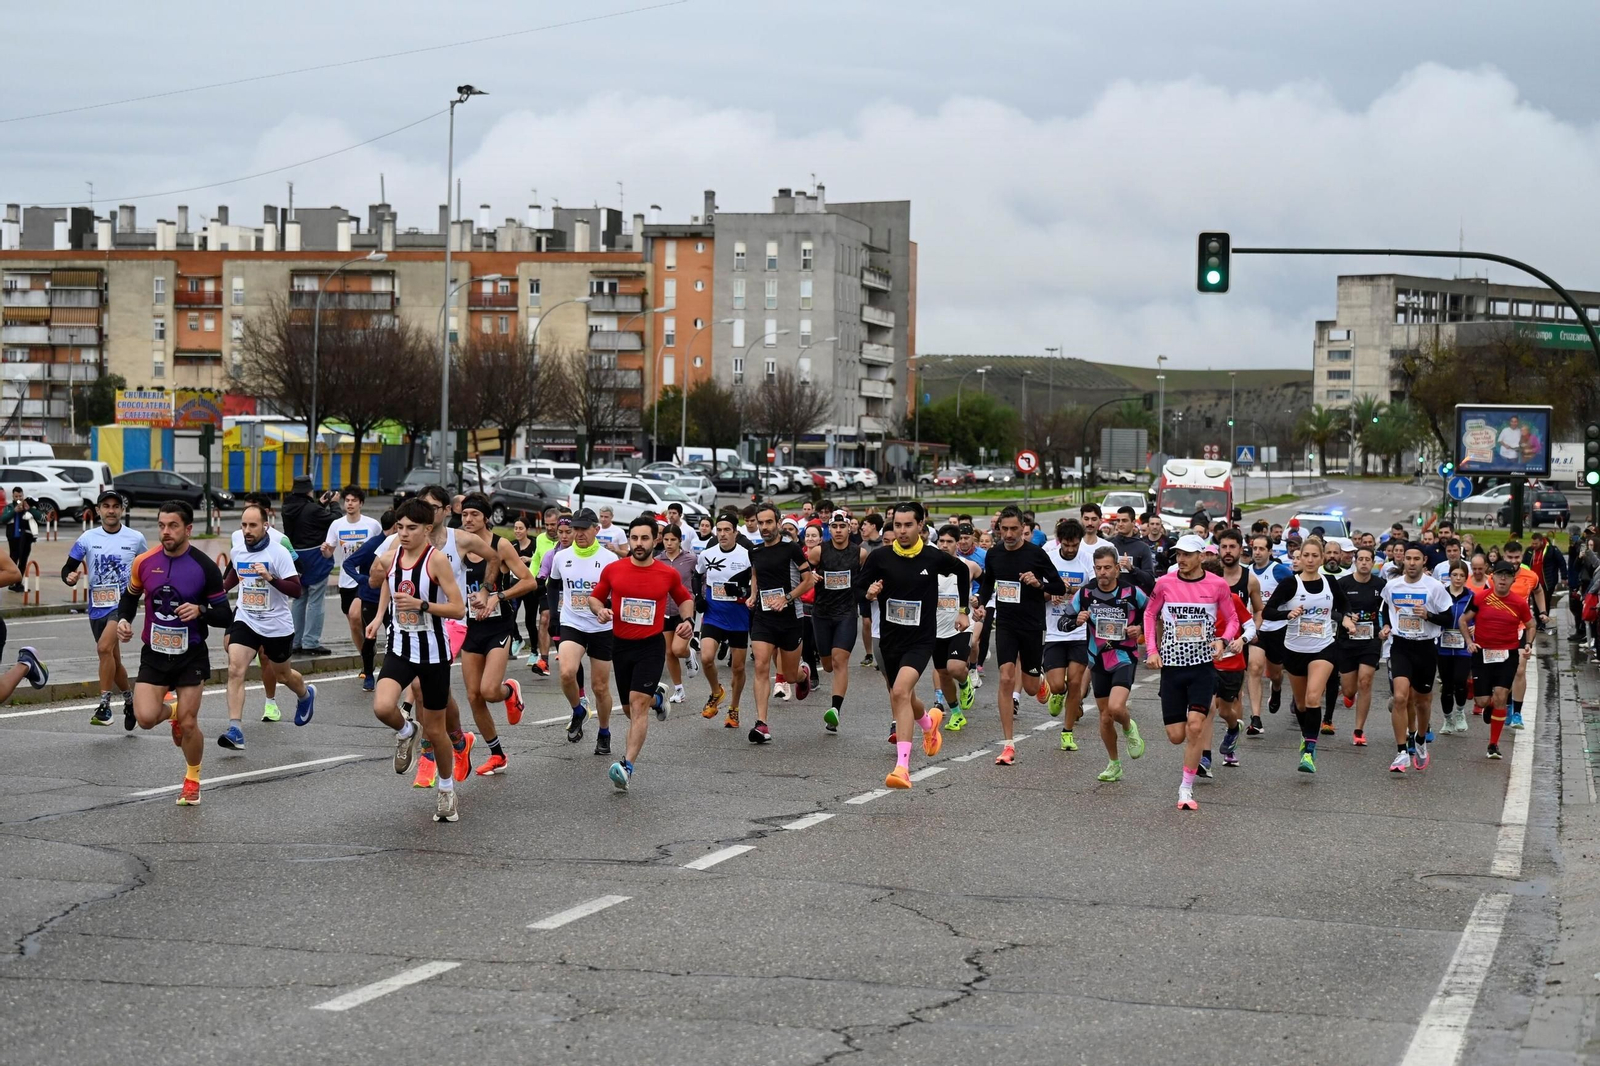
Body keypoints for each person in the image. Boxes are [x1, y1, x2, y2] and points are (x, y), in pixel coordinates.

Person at [117, 501, 232, 806]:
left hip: (190, 653)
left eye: (173, 526)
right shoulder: (144, 562)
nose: (165, 532)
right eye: (161, 525)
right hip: (154, 652)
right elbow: (129, 598)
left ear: (188, 529)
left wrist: (201, 610)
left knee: (191, 723)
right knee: (144, 718)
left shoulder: (204, 566)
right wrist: (124, 621)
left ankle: (192, 780)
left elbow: (225, 615)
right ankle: (173, 712)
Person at [366, 498, 469, 822]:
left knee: (436, 732)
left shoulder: (436, 561)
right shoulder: (391, 557)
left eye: (412, 528)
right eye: (400, 528)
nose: (405, 533)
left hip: (433, 653)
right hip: (400, 646)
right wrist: (380, 615)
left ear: (427, 529)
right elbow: (385, 583)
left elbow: (457, 608)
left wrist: (421, 605)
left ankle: (446, 790)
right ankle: (406, 730)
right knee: (383, 707)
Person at [856, 501, 971, 787]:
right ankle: (929, 725)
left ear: (921, 525)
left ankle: (902, 768)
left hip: (921, 640)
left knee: (899, 691)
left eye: (908, 525)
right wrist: (869, 592)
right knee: (905, 697)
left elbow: (963, 573)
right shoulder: (880, 557)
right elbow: (858, 587)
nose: (903, 531)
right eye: (897, 525)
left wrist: (963, 610)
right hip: (891, 640)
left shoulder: (934, 557)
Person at [588, 516, 695, 790]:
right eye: (634, 538)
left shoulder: (666, 573)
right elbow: (595, 596)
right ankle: (658, 699)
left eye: (644, 538)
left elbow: (685, 599)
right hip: (621, 646)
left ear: (654, 540)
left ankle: (627, 766)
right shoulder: (615, 570)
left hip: (650, 646)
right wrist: (599, 609)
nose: (638, 543)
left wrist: (688, 621)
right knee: (627, 709)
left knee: (637, 705)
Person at [1144, 534, 1241, 810]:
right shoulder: (1164, 583)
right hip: (1172, 668)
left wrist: (1222, 640)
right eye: (1178, 554)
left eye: (1187, 554)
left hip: (1202, 667)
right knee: (1176, 736)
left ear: (1202, 556)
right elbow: (1150, 614)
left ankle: (1185, 789)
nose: (1181, 559)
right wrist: (1152, 650)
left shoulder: (1217, 585)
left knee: (1196, 727)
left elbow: (1232, 619)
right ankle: (1190, 762)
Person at [217, 502, 318, 750]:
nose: (247, 530)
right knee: (235, 669)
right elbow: (230, 579)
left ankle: (305, 694)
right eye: (244, 525)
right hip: (247, 619)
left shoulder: (278, 552)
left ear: (265, 525)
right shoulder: (239, 550)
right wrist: (212, 594)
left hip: (276, 624)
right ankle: (235, 729)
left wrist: (270, 578)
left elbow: (296, 589)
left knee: (282, 674)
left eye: (253, 525)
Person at [976, 506, 1067, 766]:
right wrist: (979, 601)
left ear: (1022, 528)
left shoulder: (1035, 554)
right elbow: (987, 584)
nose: (1008, 534)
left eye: (1013, 529)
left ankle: (1040, 683)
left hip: (1030, 624)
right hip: (1005, 623)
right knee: (1005, 677)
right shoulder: (994, 554)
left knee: (1028, 687)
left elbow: (1058, 586)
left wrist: (1038, 584)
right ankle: (1008, 744)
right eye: (1004, 529)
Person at [457, 495, 536, 776]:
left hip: (497, 626)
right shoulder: (457, 546)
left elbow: (529, 581)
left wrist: (497, 595)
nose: (468, 519)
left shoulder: (499, 545)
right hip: (469, 627)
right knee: (473, 695)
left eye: (474, 514)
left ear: (486, 517)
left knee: (490, 691)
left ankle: (509, 691)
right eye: (464, 514)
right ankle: (497, 754)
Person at [1260, 535, 1347, 775]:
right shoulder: (1291, 583)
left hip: (1323, 647)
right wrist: (1286, 615)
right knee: (1300, 703)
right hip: (1295, 648)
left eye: (1314, 555)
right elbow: (1268, 611)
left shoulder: (1330, 583)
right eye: (1305, 555)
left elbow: (1343, 605)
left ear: (1321, 558)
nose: (1309, 560)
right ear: (1300, 557)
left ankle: (1309, 750)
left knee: (1312, 699)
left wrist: (1346, 618)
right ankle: (1306, 734)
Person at [64, 489, 147, 728]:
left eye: (115, 506)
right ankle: (130, 702)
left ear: (122, 510)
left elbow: (148, 567)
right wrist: (69, 577)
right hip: (96, 606)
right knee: (112, 659)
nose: (111, 511)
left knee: (103, 649)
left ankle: (104, 706)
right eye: (106, 506)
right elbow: (67, 567)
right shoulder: (87, 538)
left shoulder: (135, 538)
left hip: (122, 605)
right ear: (98, 511)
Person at [1068, 545, 1148, 781]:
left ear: (1117, 569)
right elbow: (1066, 619)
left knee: (1115, 708)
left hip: (1124, 657)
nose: (1102, 572)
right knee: (1104, 717)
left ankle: (1128, 727)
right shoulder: (1085, 594)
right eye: (1098, 568)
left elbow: (1152, 611)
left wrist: (1140, 628)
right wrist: (1077, 619)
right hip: (1097, 660)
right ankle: (1114, 763)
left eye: (1107, 568)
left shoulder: (1131, 593)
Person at [746, 503, 816, 743]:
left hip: (791, 619)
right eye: (761, 523)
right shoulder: (755, 551)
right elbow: (756, 574)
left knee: (788, 673)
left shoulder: (792, 549)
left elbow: (808, 581)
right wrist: (754, 595)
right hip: (764, 618)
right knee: (761, 666)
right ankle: (762, 724)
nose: (764, 527)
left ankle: (802, 674)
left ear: (777, 523)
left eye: (768, 522)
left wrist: (786, 598)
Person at [1381, 545, 1455, 772]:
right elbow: (1385, 610)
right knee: (1401, 697)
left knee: (1423, 702)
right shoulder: (1392, 586)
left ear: (1424, 561)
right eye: (1408, 559)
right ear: (1403, 561)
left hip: (1425, 647)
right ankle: (1401, 751)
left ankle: (1420, 738)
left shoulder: (1435, 587)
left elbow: (1449, 617)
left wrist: (1429, 615)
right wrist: (1385, 625)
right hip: (1401, 646)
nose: (1412, 563)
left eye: (1416, 559)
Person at [551, 508, 619, 753]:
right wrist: (554, 617)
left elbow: (618, 592)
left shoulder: (610, 560)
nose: (578, 533)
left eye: (583, 529)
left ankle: (604, 732)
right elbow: (553, 585)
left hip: (602, 627)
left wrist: (607, 608)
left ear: (596, 529)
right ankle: (578, 710)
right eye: (575, 529)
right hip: (573, 623)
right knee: (567, 673)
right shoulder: (562, 557)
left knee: (600, 687)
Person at [1461, 560, 1534, 760]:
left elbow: (1531, 624)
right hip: (1483, 653)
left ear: (1513, 579)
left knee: (1502, 695)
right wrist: (1469, 641)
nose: (1503, 578)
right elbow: (1463, 620)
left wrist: (1528, 644)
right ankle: (1490, 704)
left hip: (1507, 655)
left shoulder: (1519, 603)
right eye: (1500, 575)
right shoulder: (1481, 598)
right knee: (1482, 701)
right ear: (1492, 577)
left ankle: (1493, 744)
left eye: (1507, 575)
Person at [809, 509, 868, 732]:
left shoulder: (859, 554)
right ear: (829, 529)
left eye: (843, 526)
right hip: (822, 612)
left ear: (849, 528)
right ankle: (808, 673)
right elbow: (802, 571)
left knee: (839, 660)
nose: (839, 530)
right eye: (834, 527)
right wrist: (811, 576)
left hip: (846, 612)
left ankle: (835, 711)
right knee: (827, 665)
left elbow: (866, 577)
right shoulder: (818, 552)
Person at [1041, 518, 1096, 751]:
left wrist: (1069, 590)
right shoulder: (1049, 559)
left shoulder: (1087, 560)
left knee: (1075, 683)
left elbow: (1094, 591)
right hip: (1054, 631)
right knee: (1057, 685)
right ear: (1059, 541)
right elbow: (1038, 591)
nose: (1071, 549)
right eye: (1067, 545)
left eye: (1075, 544)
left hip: (1078, 630)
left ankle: (1067, 732)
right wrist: (1050, 592)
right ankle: (1057, 693)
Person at [322, 485, 384, 689]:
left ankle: (368, 663)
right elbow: (329, 553)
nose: (349, 504)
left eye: (353, 501)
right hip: (346, 580)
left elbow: (381, 548)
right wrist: (325, 551)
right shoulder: (337, 525)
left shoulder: (372, 525)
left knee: (356, 615)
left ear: (361, 504)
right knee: (354, 623)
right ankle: (367, 656)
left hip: (365, 580)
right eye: (347, 500)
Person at [696, 513, 753, 726]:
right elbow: (697, 574)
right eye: (719, 530)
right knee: (706, 657)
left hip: (738, 616)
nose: (722, 534)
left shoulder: (746, 556)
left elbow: (755, 581)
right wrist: (698, 597)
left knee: (738, 668)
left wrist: (745, 592)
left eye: (727, 530)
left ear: (735, 533)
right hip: (714, 614)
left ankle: (734, 708)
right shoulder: (707, 554)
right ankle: (716, 692)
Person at [1335, 546, 1387, 746]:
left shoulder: (1381, 585)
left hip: (1370, 639)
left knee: (1365, 682)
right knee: (1349, 689)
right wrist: (1346, 617)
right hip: (1347, 640)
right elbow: (1333, 610)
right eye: (1361, 559)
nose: (1364, 562)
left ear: (1373, 562)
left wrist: (1385, 628)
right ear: (1355, 561)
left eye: (1368, 559)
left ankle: (1359, 730)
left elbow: (1387, 609)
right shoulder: (1343, 584)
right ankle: (1349, 695)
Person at [931, 525, 982, 731]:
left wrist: (979, 599)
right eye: (941, 541)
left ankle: (964, 683)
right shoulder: (929, 567)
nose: (944, 545)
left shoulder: (967, 566)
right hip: (936, 629)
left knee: (954, 667)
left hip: (960, 626)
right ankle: (956, 713)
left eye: (949, 541)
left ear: (957, 544)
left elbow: (987, 582)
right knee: (943, 673)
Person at [280, 475, 337, 655]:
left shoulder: (287, 508)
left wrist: (319, 504)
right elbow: (334, 520)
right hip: (315, 557)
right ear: (309, 491)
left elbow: (306, 519)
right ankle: (311, 642)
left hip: (295, 558)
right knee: (316, 601)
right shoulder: (312, 509)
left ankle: (296, 641)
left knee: (299, 599)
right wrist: (334, 503)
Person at [342, 509, 397, 693]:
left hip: (394, 599)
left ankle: (393, 674)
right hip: (371, 597)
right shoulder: (374, 544)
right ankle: (368, 673)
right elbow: (348, 563)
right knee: (370, 636)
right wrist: (362, 579)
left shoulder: (402, 545)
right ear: (396, 526)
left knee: (395, 635)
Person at [1246, 533, 1292, 733]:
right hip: (1257, 629)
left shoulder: (1280, 571)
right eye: (1254, 548)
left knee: (1275, 673)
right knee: (1254, 667)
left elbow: (1294, 591)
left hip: (1278, 627)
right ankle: (1255, 718)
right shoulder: (1246, 572)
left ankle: (1277, 688)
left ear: (1270, 551)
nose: (1257, 552)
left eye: (1261, 549)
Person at [654, 524, 698, 705]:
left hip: (683, 610)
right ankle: (679, 689)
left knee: (678, 649)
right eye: (666, 539)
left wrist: (697, 596)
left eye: (673, 540)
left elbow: (701, 578)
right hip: (664, 611)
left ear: (680, 540)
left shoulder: (691, 559)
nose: (669, 543)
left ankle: (689, 654)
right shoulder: (657, 560)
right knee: (668, 652)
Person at [1435, 561, 1475, 736]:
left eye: (1461, 576)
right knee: (1447, 683)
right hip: (1443, 645)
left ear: (1467, 578)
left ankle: (1459, 711)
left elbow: (1480, 616)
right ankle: (1447, 718)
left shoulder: (1472, 597)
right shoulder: (1441, 594)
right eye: (1454, 575)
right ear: (1449, 576)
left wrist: (1476, 627)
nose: (1458, 579)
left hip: (1463, 645)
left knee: (1461, 680)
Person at [528, 506, 562, 673]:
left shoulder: (569, 538)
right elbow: (536, 560)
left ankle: (566, 652)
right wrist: (530, 579)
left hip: (566, 587)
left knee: (562, 623)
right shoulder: (540, 539)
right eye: (547, 524)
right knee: (544, 618)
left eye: (553, 524)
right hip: (547, 586)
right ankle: (543, 661)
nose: (549, 528)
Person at [857, 513, 884, 667]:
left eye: (865, 524)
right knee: (866, 621)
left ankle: (881, 652)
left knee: (879, 622)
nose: (862, 527)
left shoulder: (884, 544)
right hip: (866, 589)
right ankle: (869, 653)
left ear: (874, 526)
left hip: (881, 588)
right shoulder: (862, 546)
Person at [2, 487, 39, 593]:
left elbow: (37, 516)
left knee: (23, 559)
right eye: (16, 496)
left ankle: (18, 583)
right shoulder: (9, 507)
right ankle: (11, 582)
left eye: (20, 496)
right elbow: (3, 519)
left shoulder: (27, 506)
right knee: (14, 558)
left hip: (26, 537)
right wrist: (14, 511)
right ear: (13, 497)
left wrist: (29, 509)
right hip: (13, 537)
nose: (18, 498)